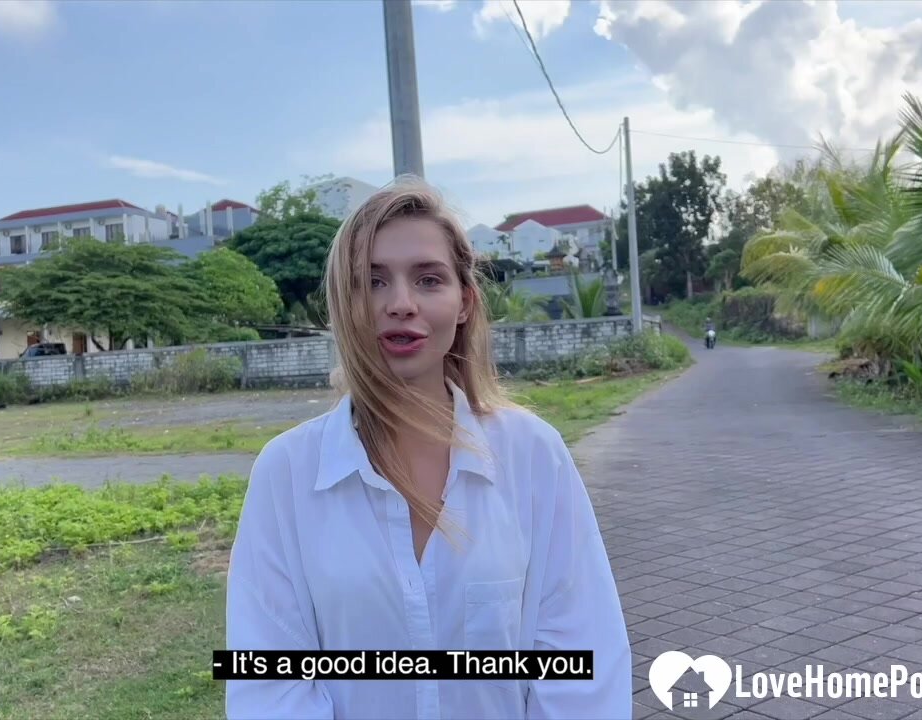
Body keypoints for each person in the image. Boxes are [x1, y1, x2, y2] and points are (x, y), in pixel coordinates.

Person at [225, 179, 632, 719]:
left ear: (464, 302)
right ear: (342, 305)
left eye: (428, 279)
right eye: (370, 282)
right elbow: (269, 679)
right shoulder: (286, 473)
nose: (400, 304)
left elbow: (582, 658)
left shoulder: (532, 454)